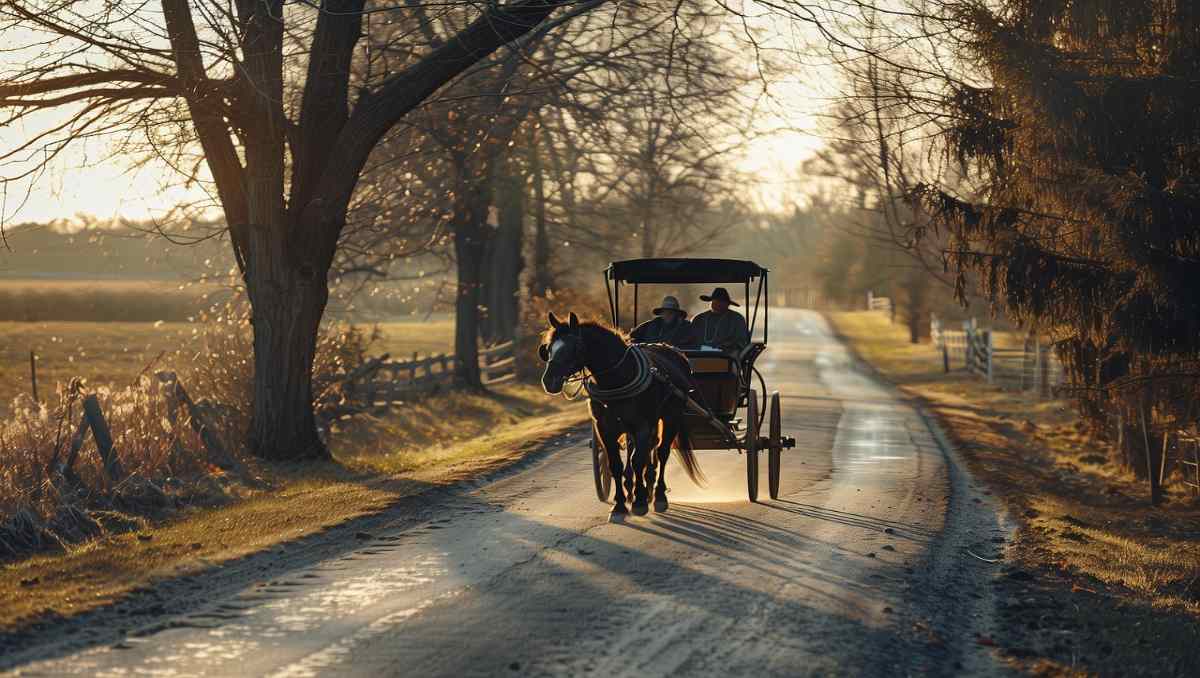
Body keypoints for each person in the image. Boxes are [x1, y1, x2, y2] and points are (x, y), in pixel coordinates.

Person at [691, 287, 750, 353]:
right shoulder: (699, 318)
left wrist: (725, 347)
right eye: (715, 301)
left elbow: (741, 342)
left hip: (727, 357)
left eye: (721, 301)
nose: (717, 303)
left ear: (727, 304)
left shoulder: (737, 319)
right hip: (698, 356)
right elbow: (691, 340)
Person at [630, 296, 698, 347]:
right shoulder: (651, 325)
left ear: (677, 314)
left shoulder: (686, 327)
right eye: (665, 312)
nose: (667, 315)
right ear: (661, 313)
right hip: (652, 359)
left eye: (671, 312)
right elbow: (632, 338)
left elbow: (692, 346)